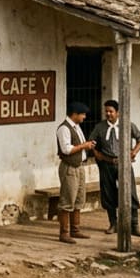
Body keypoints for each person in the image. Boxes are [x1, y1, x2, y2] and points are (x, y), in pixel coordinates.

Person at [88, 99, 140, 236]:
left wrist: (134, 152)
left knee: (130, 192)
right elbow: (91, 143)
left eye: (111, 111)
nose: (108, 114)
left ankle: (134, 224)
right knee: (108, 193)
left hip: (124, 164)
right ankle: (113, 223)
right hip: (107, 164)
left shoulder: (127, 125)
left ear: (118, 113)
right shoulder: (100, 127)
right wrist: (97, 155)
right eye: (106, 111)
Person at [55, 101, 96, 244]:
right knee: (67, 199)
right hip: (69, 167)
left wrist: (87, 145)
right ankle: (64, 233)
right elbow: (66, 149)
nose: (84, 117)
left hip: (79, 166)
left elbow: (79, 145)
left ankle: (75, 229)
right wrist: (84, 146)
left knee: (79, 198)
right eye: (82, 114)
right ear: (75, 114)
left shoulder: (76, 127)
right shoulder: (64, 129)